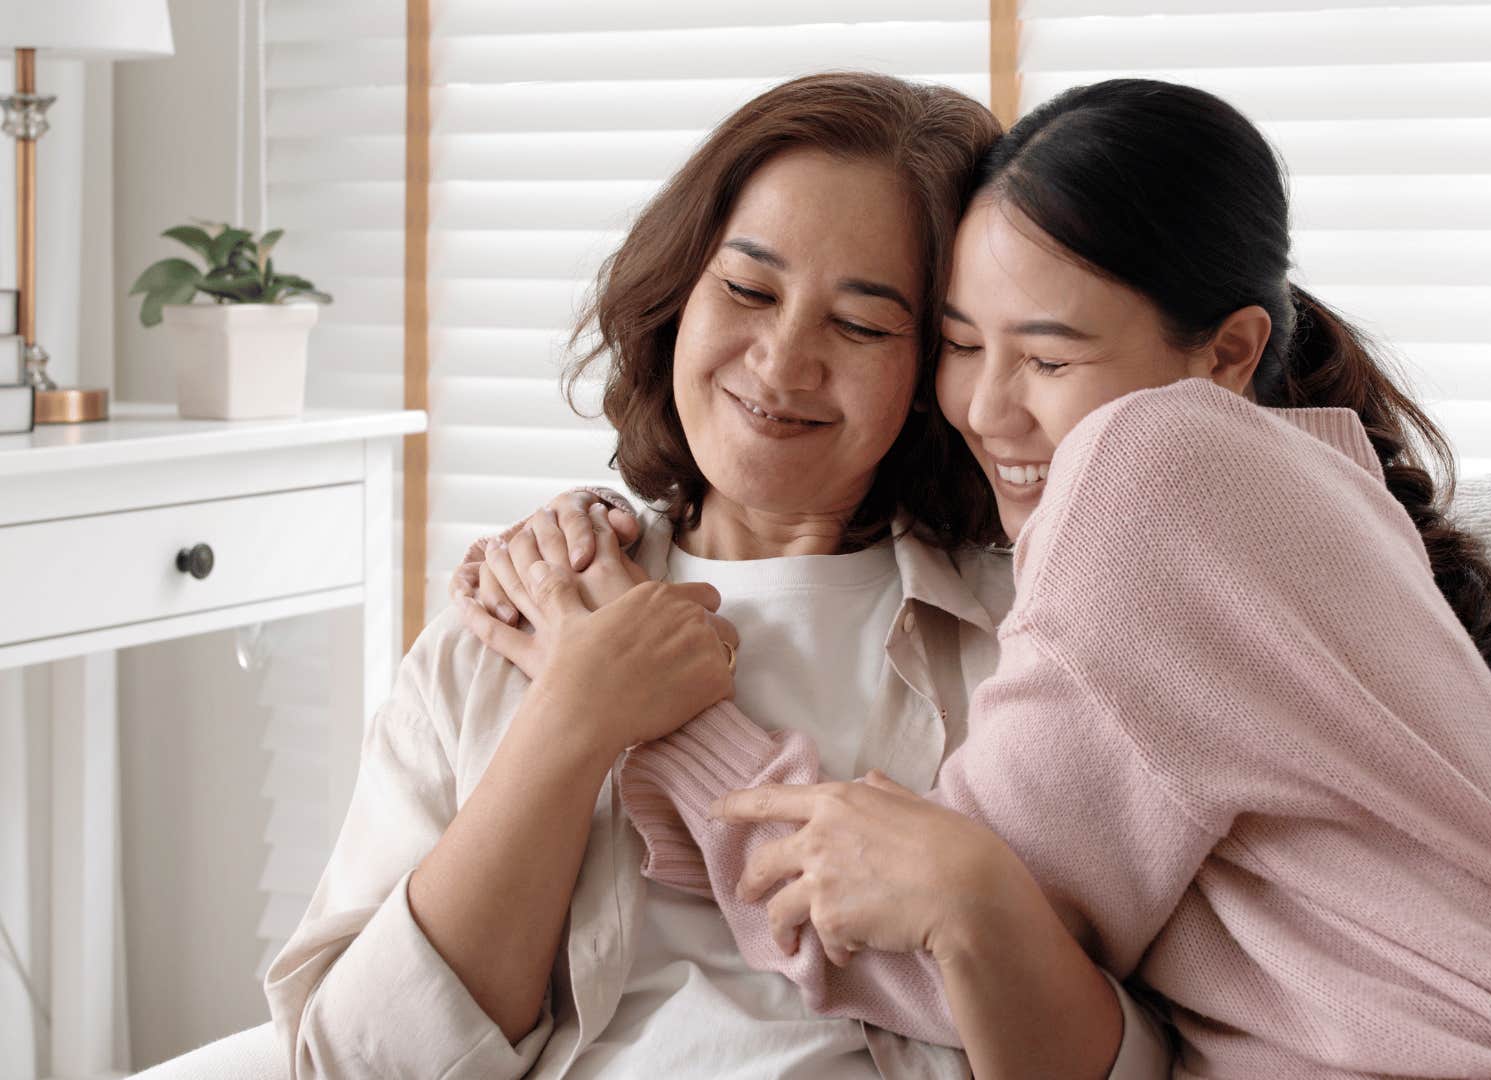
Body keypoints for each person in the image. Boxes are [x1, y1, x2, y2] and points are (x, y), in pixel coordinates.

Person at [464, 80, 1491, 1077]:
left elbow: (927, 951)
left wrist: (639, 693)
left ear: (1229, 354)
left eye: (1048, 357)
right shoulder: (1302, 491)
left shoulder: (1150, 471)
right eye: (956, 343)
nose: (987, 409)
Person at [267, 72, 1172, 1080]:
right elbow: (354, 1064)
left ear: (935, 370)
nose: (782, 365)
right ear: (679, 291)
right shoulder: (517, 616)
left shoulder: (1037, 642)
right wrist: (574, 718)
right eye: (747, 290)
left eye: (863, 325)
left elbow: (1140, 1053)